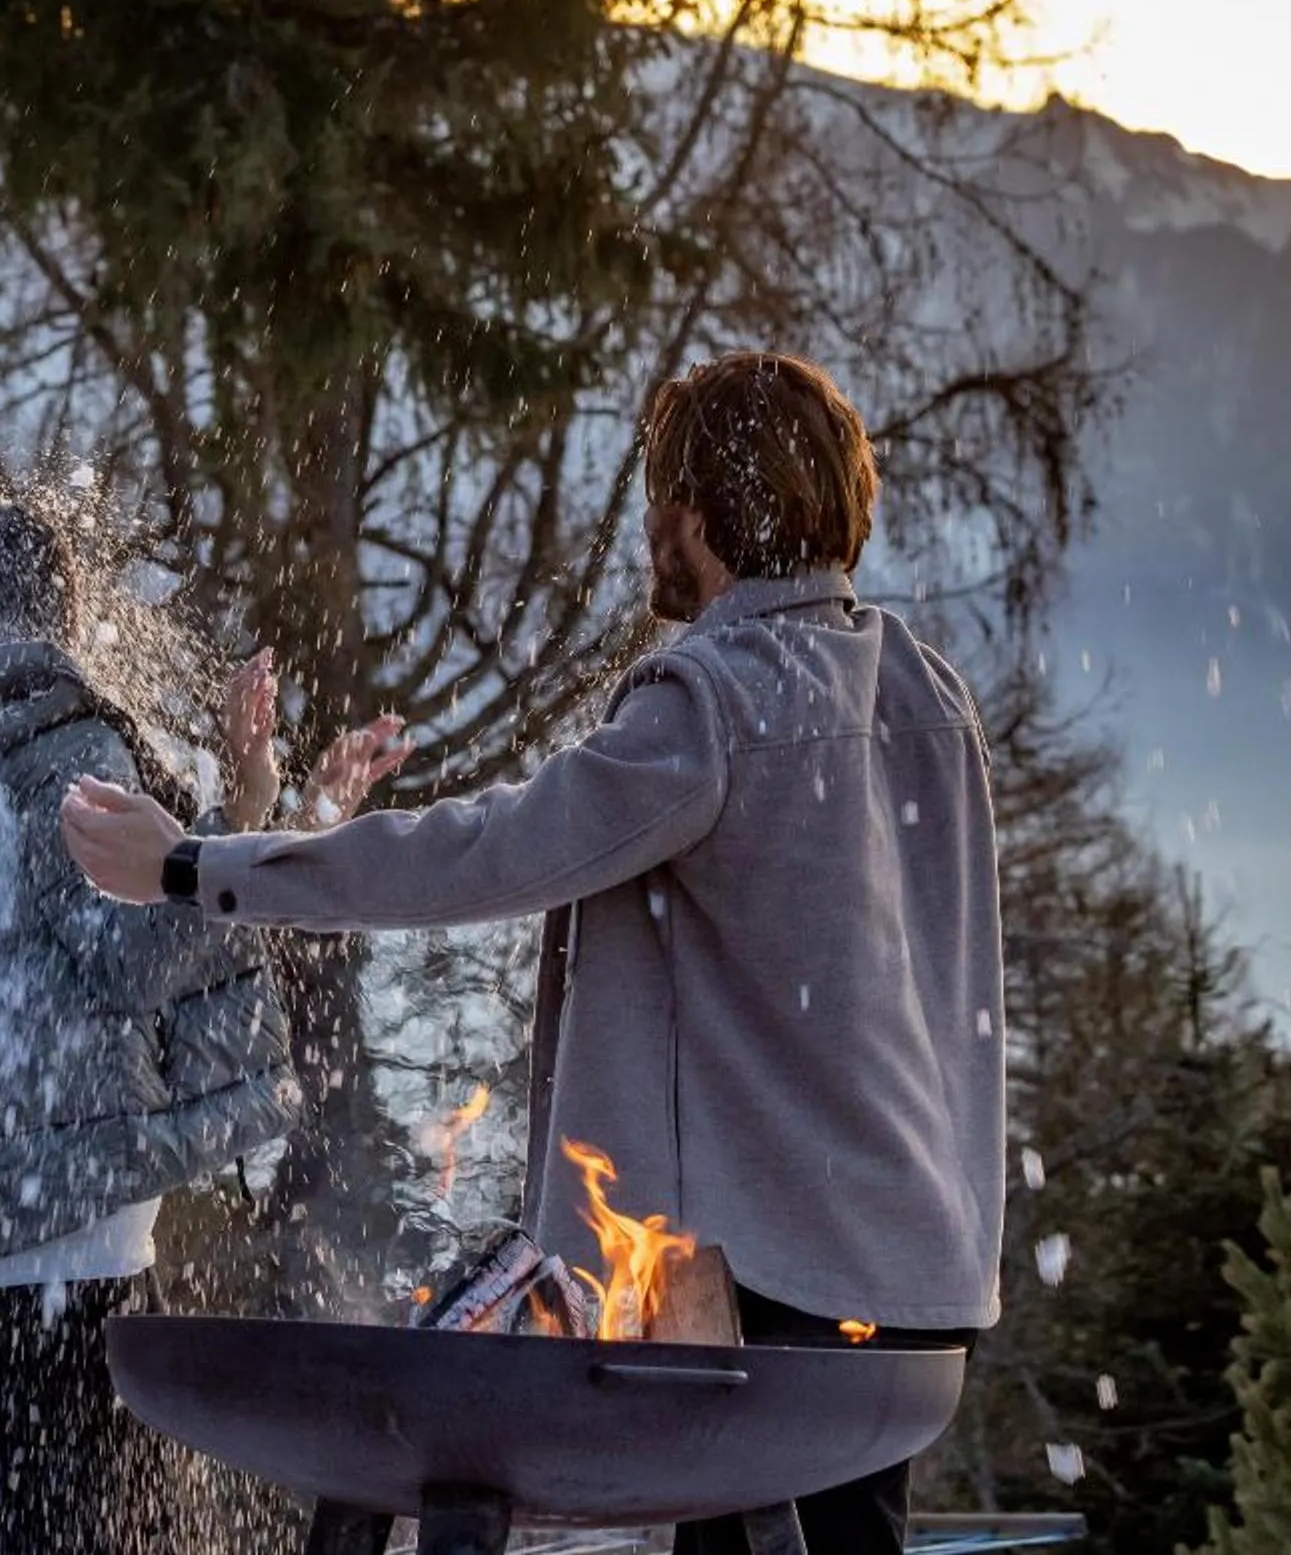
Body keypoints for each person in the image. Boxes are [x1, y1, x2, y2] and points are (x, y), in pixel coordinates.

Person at [62, 353, 1004, 1555]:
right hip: (910, 1284)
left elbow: (489, 852)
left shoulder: (713, 701)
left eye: (661, 497)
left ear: (701, 517)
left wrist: (200, 865)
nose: (651, 527)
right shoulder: (929, 694)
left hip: (763, 1293)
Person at [0, 502, 393, 1552]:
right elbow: (136, 953)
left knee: (30, 1495)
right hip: (71, 1196)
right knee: (96, 1511)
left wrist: (263, 815)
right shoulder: (56, 732)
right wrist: (248, 800)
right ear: (49, 605)